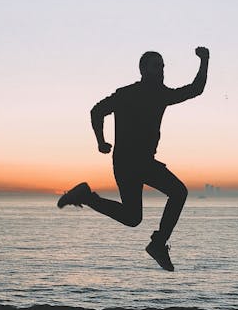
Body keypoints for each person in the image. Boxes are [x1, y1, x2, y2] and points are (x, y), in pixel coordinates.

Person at [57, 46, 210, 271]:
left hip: (135, 162)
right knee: (176, 193)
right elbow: (96, 111)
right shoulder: (130, 94)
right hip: (132, 162)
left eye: (163, 66)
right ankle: (157, 244)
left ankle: (86, 197)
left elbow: (196, 89)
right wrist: (100, 140)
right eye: (156, 66)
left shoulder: (160, 94)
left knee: (133, 217)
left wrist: (204, 61)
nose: (161, 70)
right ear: (143, 69)